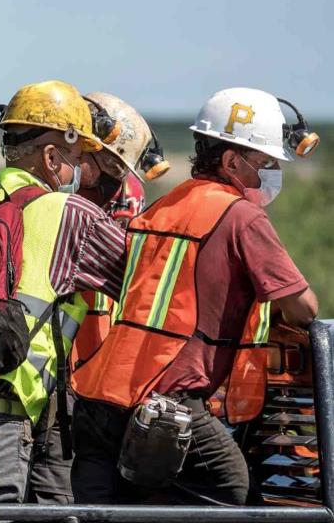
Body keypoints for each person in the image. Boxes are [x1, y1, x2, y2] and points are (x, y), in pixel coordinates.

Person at [71, 87, 320, 505]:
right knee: (231, 492)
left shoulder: (163, 206)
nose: (274, 171)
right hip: (166, 398)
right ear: (230, 161)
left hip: (99, 395)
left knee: (119, 509)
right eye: (266, 162)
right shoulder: (241, 215)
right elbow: (304, 307)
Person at [0, 80, 128, 505]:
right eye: (79, 156)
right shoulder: (72, 215)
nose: (82, 169)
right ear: (53, 156)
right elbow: (142, 282)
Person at [30, 92, 158, 504]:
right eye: (109, 167)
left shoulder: (125, 192)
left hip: (101, 381)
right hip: (53, 383)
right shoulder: (49, 206)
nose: (114, 183)